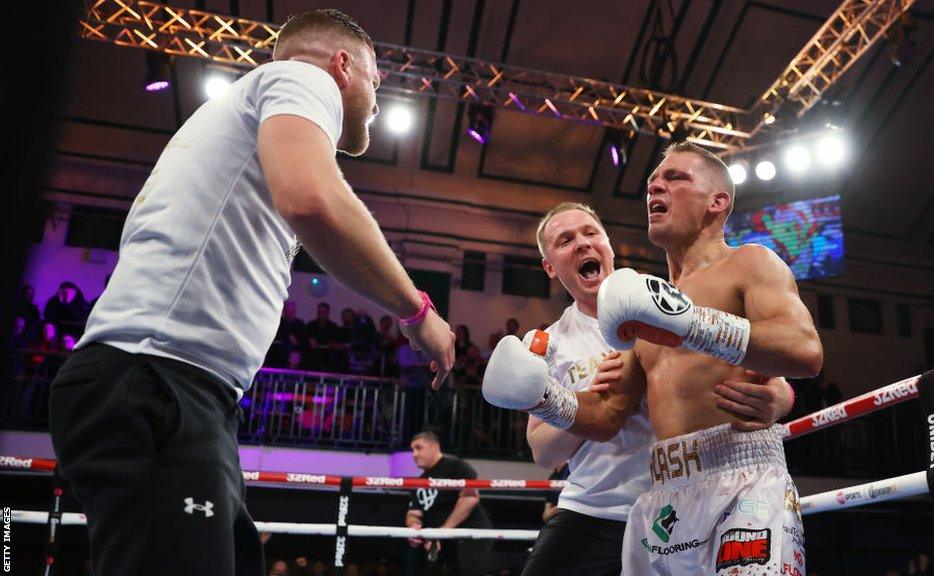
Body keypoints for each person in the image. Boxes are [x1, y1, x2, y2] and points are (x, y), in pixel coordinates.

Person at [48, 9, 455, 576]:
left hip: (174, 387)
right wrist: (418, 312)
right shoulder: (302, 77)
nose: (378, 99)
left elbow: (317, 214)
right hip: (157, 379)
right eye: (376, 81)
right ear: (342, 66)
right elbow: (315, 201)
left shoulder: (239, 126)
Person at [485, 142, 821, 575]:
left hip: (742, 474)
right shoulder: (638, 311)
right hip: (665, 493)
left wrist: (690, 324)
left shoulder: (749, 262)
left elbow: (805, 349)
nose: (655, 186)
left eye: (675, 177)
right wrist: (542, 396)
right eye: (652, 183)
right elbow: (607, 413)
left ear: (717, 201)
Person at [405, 431, 493, 575]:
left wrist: (443, 531)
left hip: (471, 538)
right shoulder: (419, 481)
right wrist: (414, 527)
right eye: (412, 450)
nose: (414, 454)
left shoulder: (455, 466)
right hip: (444, 546)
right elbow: (413, 513)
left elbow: (470, 498)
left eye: (419, 448)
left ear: (434, 447)